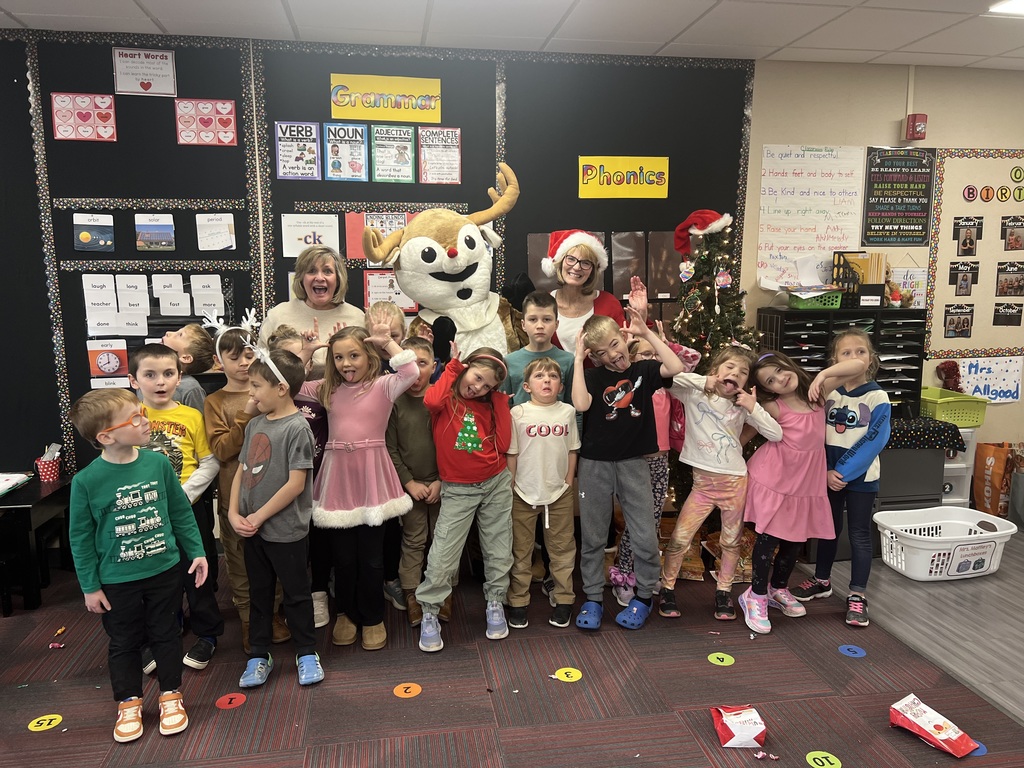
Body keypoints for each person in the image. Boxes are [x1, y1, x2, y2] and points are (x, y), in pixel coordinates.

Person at [69, 389, 207, 743]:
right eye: (135, 418)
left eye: (141, 412)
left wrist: (197, 552)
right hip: (116, 579)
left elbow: (179, 511)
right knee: (124, 641)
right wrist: (89, 585)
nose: (145, 421)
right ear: (106, 436)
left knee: (167, 634)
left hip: (164, 571)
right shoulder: (86, 481)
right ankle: (129, 701)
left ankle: (171, 694)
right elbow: (81, 538)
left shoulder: (158, 463)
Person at [299, 310, 417, 652]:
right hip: (338, 479)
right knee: (343, 558)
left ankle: (373, 616)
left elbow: (411, 370)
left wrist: (386, 343)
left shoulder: (383, 386)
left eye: (354, 355)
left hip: (372, 476)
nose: (347, 363)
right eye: (339, 357)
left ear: (369, 358)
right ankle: (346, 615)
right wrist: (307, 355)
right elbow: (290, 386)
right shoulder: (325, 389)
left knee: (372, 556)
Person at [571, 309, 686, 631]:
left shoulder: (644, 370)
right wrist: (579, 359)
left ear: (623, 337)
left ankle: (645, 596)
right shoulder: (592, 376)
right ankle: (593, 597)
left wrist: (647, 334)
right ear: (593, 356)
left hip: (635, 463)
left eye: (614, 344)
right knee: (593, 536)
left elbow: (676, 366)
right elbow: (580, 404)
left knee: (645, 535)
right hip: (594, 465)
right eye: (601, 353)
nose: (612, 355)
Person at [737, 350, 867, 634]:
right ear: (768, 389)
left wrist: (823, 375)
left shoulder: (818, 394)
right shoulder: (773, 406)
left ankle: (778, 588)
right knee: (769, 538)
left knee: (795, 540)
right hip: (775, 480)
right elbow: (745, 435)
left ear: (789, 364)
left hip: (806, 484)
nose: (781, 379)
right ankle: (755, 596)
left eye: (780, 371)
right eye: (771, 380)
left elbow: (860, 364)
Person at [659, 345, 783, 621]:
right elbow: (667, 378)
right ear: (716, 370)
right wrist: (705, 381)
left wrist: (754, 407)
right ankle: (667, 588)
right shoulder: (695, 392)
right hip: (702, 485)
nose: (735, 374)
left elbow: (775, 434)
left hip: (734, 483)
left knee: (731, 541)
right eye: (729, 368)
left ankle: (723, 592)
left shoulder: (743, 406)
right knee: (680, 537)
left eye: (742, 372)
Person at [228, 348, 323, 688]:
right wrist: (233, 511)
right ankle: (259, 654)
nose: (250, 393)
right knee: (260, 593)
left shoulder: (298, 428)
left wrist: (258, 516)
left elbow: (296, 484)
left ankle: (307, 652)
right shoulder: (255, 424)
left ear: (281, 388)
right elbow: (242, 469)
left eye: (255, 386)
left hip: (285, 531)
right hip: (252, 530)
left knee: (296, 594)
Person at [129, 343, 223, 672]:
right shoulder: (129, 418)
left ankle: (208, 633)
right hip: (145, 512)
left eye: (168, 374)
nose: (160, 382)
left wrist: (184, 495)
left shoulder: (191, 416)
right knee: (155, 577)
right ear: (133, 380)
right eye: (150, 375)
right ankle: (160, 632)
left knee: (196, 572)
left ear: (179, 377)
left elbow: (209, 462)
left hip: (187, 507)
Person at [791, 329, 891, 627]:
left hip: (860, 479)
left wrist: (843, 472)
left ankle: (857, 595)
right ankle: (821, 581)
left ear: (870, 358)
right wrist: (824, 472)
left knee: (859, 535)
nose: (854, 358)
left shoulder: (877, 396)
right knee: (827, 531)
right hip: (826, 477)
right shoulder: (829, 393)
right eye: (846, 353)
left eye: (860, 351)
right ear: (835, 359)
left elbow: (875, 439)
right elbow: (813, 435)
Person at [415, 345, 513, 652]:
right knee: (443, 553)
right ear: (466, 367)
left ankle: (495, 603)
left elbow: (505, 442)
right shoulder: (446, 398)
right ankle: (430, 610)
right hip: (457, 488)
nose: (479, 387)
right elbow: (431, 400)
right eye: (478, 377)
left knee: (498, 547)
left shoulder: (491, 402)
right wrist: (454, 366)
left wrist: (498, 401)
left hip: (495, 481)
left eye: (488, 386)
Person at [609, 329, 700, 607]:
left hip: (660, 459)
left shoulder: (667, 386)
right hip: (634, 461)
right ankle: (624, 574)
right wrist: (627, 345)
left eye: (654, 355)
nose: (651, 358)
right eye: (645, 355)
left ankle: (645, 572)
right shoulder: (633, 388)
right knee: (638, 523)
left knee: (655, 521)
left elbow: (691, 359)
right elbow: (614, 369)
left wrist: (663, 344)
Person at [506, 357, 580, 629]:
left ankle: (563, 598)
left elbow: (573, 449)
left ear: (560, 386)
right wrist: (511, 486)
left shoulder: (567, 412)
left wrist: (569, 481)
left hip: (559, 492)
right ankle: (518, 600)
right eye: (539, 376)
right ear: (527, 385)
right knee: (520, 551)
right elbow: (512, 453)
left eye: (552, 376)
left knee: (562, 549)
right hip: (523, 492)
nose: (546, 380)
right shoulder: (518, 413)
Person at [385, 336, 448, 627]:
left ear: (433, 366)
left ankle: (443, 593)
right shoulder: (394, 402)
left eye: (422, 363)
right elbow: (390, 448)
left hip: (443, 485)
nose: (417, 371)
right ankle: (411, 593)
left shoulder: (442, 398)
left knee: (444, 541)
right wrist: (409, 483)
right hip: (410, 488)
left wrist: (440, 481)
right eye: (410, 364)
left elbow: (453, 443)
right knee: (414, 539)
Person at [258, 245, 364, 375]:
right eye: (312, 271)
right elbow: (260, 367)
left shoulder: (357, 318)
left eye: (327, 271)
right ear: (301, 279)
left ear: (338, 279)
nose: (319, 278)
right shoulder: (278, 315)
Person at [541, 230, 625, 357]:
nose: (576, 267)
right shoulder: (543, 303)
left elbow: (625, 346)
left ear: (592, 270)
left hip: (600, 376)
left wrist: (641, 314)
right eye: (571, 259)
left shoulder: (608, 303)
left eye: (585, 262)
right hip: (554, 376)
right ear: (560, 262)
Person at [501, 291, 575, 406]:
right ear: (523, 324)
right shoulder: (509, 362)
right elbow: (504, 405)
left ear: (556, 324)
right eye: (533, 319)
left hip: (558, 423)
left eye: (546, 319)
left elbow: (574, 405)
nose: (540, 326)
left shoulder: (569, 360)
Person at [161, 323, 216, 411]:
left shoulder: (191, 389)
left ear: (186, 358)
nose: (168, 332)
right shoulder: (145, 379)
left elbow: (198, 422)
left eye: (180, 335)